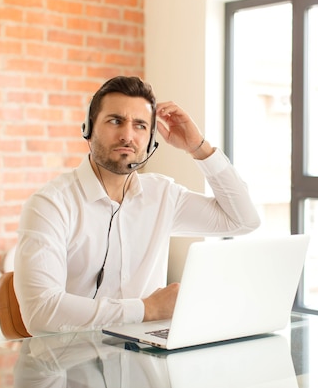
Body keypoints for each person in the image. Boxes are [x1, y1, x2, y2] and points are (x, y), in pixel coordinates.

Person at [15, 76, 260, 335]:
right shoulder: (50, 205)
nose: (127, 136)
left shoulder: (163, 195)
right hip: (73, 364)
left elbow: (243, 220)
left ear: (151, 138)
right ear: (88, 127)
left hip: (148, 363)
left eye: (140, 125)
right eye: (115, 121)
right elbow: (41, 313)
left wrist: (198, 147)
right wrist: (147, 310)